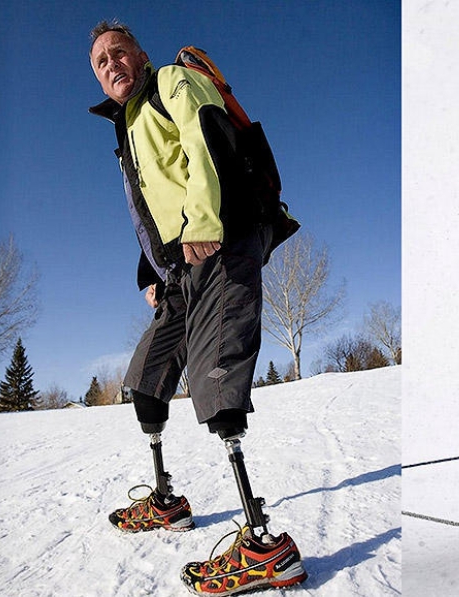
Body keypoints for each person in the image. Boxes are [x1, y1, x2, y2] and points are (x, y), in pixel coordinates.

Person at [88, 21, 308, 591]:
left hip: (222, 236)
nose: (111, 64)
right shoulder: (129, 123)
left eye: (119, 52)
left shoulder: (174, 83)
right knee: (146, 379)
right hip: (179, 265)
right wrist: (152, 271)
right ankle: (165, 500)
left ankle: (265, 546)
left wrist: (205, 222)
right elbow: (149, 208)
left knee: (217, 375)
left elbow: (209, 140)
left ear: (139, 54)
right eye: (99, 62)